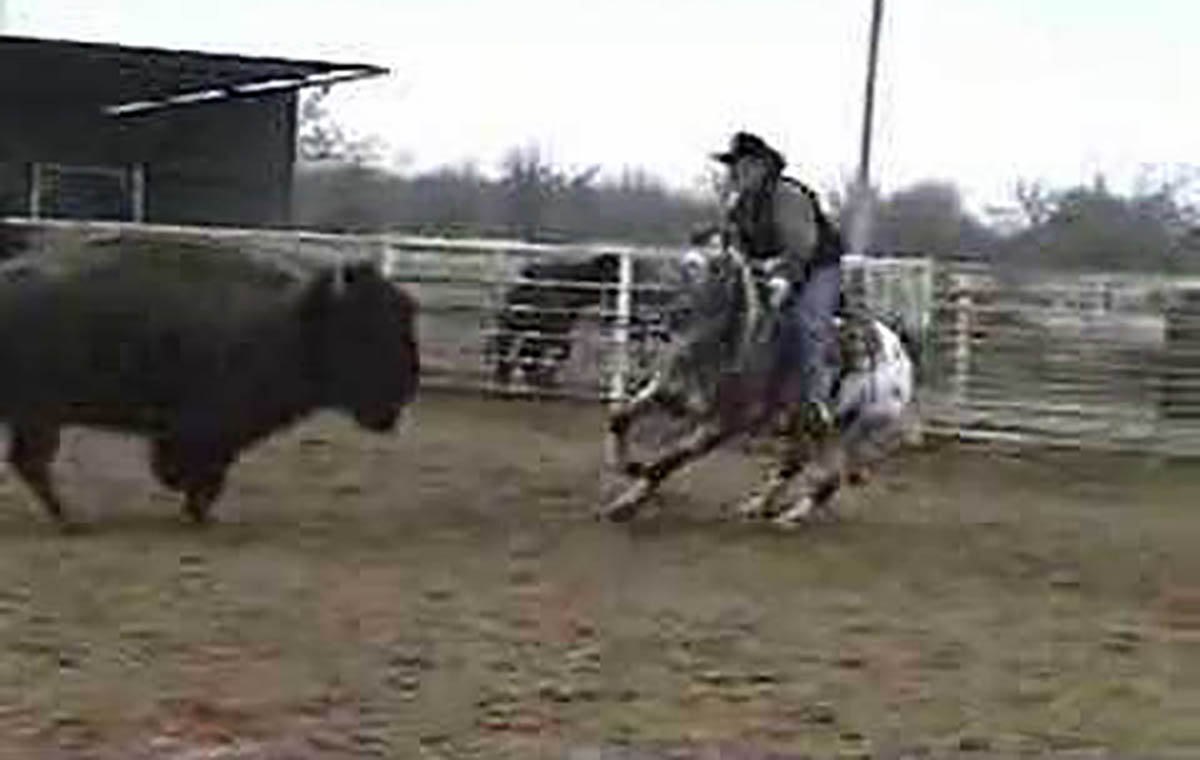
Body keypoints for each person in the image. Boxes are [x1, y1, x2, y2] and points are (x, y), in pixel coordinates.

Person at [710, 131, 844, 433]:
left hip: (816, 268)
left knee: (807, 323)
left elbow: (802, 246)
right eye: (733, 167)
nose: (735, 173)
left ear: (762, 167)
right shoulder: (738, 203)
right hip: (768, 269)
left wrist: (784, 277)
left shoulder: (788, 196)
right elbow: (731, 240)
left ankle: (816, 402)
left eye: (741, 166)